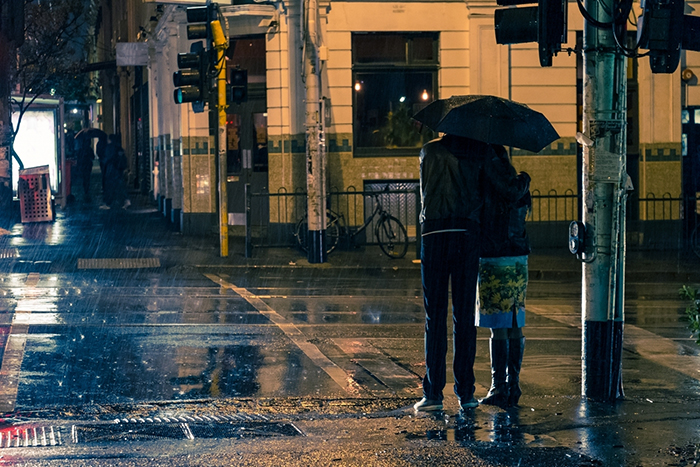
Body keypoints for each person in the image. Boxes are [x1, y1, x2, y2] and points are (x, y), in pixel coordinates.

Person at [414, 134, 515, 413]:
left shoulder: (428, 151)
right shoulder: (478, 151)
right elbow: (487, 192)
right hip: (466, 236)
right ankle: (466, 393)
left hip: (434, 234)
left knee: (434, 316)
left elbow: (425, 194)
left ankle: (433, 393)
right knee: (464, 318)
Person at [477, 145, 531, 408]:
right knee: (514, 321)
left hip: (494, 257)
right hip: (519, 257)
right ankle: (514, 384)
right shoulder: (519, 184)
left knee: (497, 326)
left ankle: (499, 386)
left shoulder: (486, 184)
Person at [102, 134, 130, 209]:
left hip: (112, 169)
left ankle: (109, 203)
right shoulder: (119, 147)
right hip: (118, 169)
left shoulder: (110, 147)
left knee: (110, 186)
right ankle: (125, 200)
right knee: (120, 185)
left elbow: (108, 158)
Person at [75, 132, 95, 202]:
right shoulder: (89, 149)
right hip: (88, 164)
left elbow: (78, 158)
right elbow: (93, 157)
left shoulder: (81, 150)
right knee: (87, 177)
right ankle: (87, 188)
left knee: (84, 177)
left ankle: (85, 188)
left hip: (83, 165)